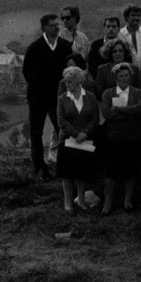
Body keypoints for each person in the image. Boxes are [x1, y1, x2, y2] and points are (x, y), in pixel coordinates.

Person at [22, 13, 73, 180]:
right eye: (52, 25)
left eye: (58, 25)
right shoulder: (35, 47)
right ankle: (39, 167)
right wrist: (37, 86)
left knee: (61, 130)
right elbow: (26, 71)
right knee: (36, 133)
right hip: (37, 97)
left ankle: (64, 165)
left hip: (57, 96)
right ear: (44, 27)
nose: (57, 27)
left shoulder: (65, 46)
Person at [100, 63, 141, 215]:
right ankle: (108, 202)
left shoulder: (138, 92)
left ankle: (128, 200)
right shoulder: (108, 93)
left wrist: (119, 110)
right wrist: (129, 113)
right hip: (114, 137)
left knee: (131, 170)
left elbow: (140, 109)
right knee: (111, 171)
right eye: (121, 76)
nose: (124, 78)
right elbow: (107, 113)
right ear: (115, 78)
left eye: (127, 75)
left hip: (133, 136)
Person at [56, 66, 100, 213]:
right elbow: (61, 121)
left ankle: (81, 200)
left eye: (69, 81)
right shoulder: (62, 99)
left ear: (78, 81)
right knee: (67, 174)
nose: (66, 84)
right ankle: (68, 203)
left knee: (82, 173)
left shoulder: (91, 97)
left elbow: (95, 118)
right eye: (66, 81)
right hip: (68, 140)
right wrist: (76, 134)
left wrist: (85, 133)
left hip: (86, 141)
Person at [118, 4, 141, 87]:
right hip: (125, 75)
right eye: (133, 15)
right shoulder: (119, 35)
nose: (136, 18)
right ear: (127, 17)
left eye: (138, 15)